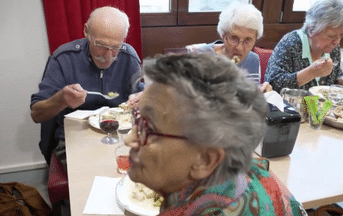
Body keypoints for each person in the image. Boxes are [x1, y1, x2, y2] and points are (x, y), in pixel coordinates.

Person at [124, 52, 306, 215]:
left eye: (149, 129)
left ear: (205, 160)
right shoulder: (239, 172)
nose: (128, 139)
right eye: (138, 118)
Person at [30, 6, 143, 165]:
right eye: (101, 45)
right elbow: (36, 114)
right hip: (75, 137)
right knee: (96, 170)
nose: (108, 56)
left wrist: (143, 100)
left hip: (120, 135)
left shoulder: (129, 58)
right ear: (86, 31)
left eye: (115, 47)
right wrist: (61, 99)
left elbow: (140, 99)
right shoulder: (64, 58)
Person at [186, 2, 273, 93]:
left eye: (248, 40)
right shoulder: (200, 57)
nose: (239, 47)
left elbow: (249, 99)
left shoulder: (253, 60)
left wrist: (260, 91)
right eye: (234, 38)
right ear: (223, 36)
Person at [265, 0, 343, 93]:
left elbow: (336, 75)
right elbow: (272, 85)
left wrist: (340, 80)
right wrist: (311, 73)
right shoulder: (291, 43)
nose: (337, 41)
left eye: (341, 35)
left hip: (321, 107)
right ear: (311, 30)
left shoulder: (332, 48)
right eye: (331, 36)